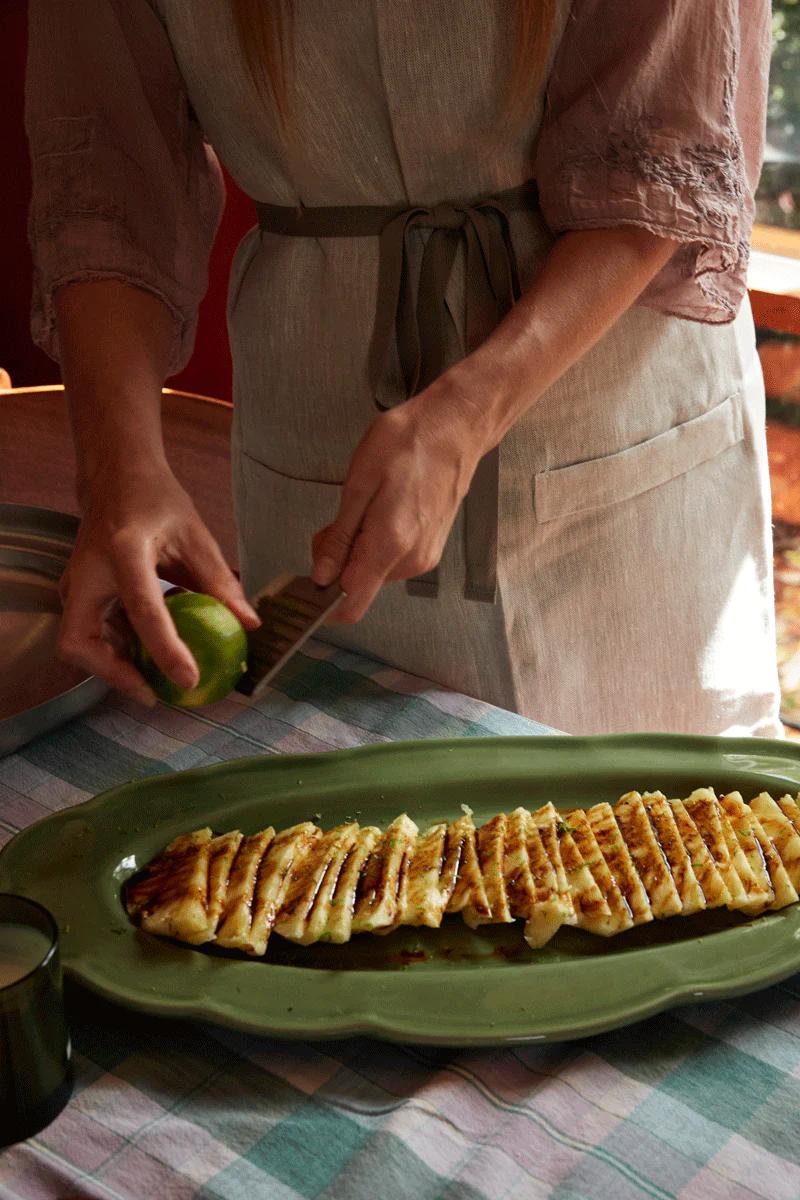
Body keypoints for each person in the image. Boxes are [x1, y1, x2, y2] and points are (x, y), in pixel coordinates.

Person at [25, 0, 781, 736]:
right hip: (316, 411)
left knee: (675, 841)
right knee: (349, 840)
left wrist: (465, 416)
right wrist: (117, 470)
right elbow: (104, 180)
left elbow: (663, 142)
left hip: (616, 409)